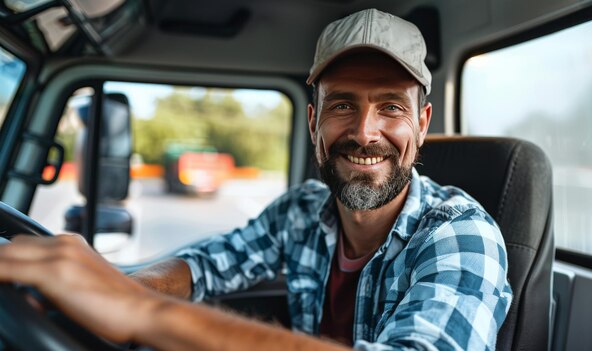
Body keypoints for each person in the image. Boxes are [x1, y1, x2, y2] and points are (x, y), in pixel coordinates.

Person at [0, 8, 512, 351]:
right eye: (341, 105)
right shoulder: (300, 212)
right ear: (313, 122)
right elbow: (207, 263)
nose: (363, 131)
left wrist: (143, 312)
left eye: (391, 107)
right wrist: (124, 286)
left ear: (421, 126)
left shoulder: (459, 234)